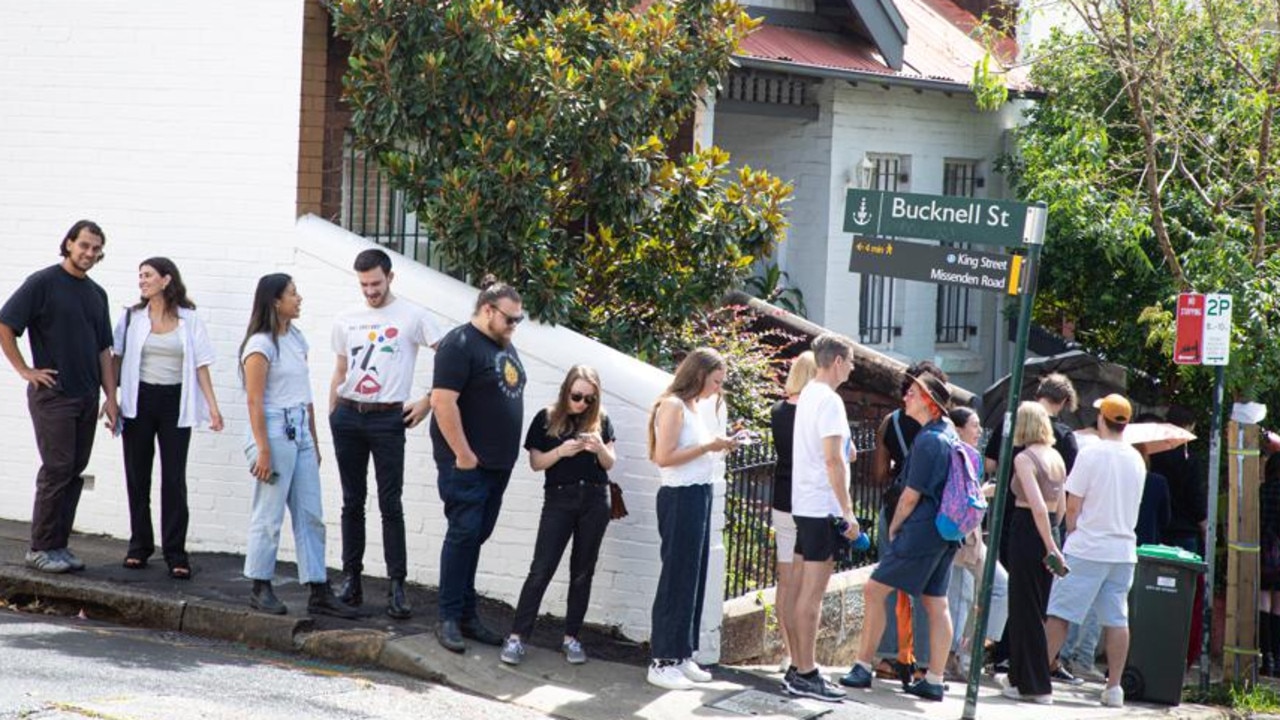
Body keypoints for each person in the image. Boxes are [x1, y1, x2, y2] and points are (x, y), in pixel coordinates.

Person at [0, 220, 118, 574]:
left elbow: (103, 351)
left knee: (75, 470)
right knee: (57, 468)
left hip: (86, 397)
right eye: (84, 245)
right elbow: (6, 325)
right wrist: (25, 370)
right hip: (54, 396)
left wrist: (110, 397)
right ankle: (39, 548)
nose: (89, 253)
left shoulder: (97, 295)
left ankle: (59, 546)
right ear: (68, 244)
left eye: (96, 249)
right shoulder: (43, 283)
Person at [329, 248, 440, 620]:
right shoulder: (347, 318)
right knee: (351, 501)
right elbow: (340, 367)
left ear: (390, 278)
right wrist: (333, 412)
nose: (370, 291)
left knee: (390, 503)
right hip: (348, 413)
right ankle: (352, 580)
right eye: (363, 285)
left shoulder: (413, 315)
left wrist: (428, 401)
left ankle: (397, 585)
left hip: (389, 418)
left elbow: (453, 356)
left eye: (376, 283)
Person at [240, 273, 355, 618]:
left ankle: (318, 587)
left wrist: (314, 441)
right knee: (269, 513)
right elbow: (254, 401)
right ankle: (260, 586)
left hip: (299, 430)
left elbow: (305, 396)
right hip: (273, 432)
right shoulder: (260, 345)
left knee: (310, 513)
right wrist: (262, 449)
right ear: (275, 301)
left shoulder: (296, 339)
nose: (299, 298)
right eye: (293, 293)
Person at [842, 371, 957, 702]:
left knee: (874, 589)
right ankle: (934, 679)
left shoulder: (929, 440)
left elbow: (910, 495)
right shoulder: (948, 434)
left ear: (930, 403)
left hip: (920, 531)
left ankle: (863, 666)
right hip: (944, 532)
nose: (906, 395)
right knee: (936, 603)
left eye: (914, 392)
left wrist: (894, 527)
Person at [430, 276, 526, 653]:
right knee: (463, 535)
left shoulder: (501, 344)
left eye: (519, 319)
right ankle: (448, 617)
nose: (515, 326)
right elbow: (443, 401)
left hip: (497, 465)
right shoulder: (460, 344)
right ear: (488, 310)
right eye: (510, 319)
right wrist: (464, 455)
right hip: (469, 466)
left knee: (475, 538)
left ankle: (467, 616)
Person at [113, 257, 223, 579]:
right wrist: (111, 400)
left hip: (176, 401)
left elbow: (202, 365)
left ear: (166, 279)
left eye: (147, 275)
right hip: (140, 400)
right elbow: (115, 359)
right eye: (140, 276)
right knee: (138, 475)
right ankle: (139, 546)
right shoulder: (131, 318)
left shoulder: (190, 319)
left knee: (174, 478)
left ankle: (175, 551)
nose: (142, 281)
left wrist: (213, 408)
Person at [500, 365, 617, 666]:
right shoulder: (547, 417)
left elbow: (609, 463)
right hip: (560, 498)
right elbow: (536, 463)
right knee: (541, 568)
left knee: (582, 572)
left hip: (595, 498)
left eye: (590, 399)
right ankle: (516, 638)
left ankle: (572, 638)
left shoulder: (601, 419)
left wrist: (599, 446)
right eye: (577, 396)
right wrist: (562, 452)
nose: (582, 404)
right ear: (566, 391)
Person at [1043, 394, 1146, 708]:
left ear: (1102, 417)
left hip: (1087, 546)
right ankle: (1114, 687)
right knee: (1116, 619)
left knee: (1060, 613)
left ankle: (1033, 677)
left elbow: (1073, 505)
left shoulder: (1090, 454)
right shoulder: (1137, 459)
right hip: (1123, 550)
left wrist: (1072, 532)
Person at [645, 348, 738, 691]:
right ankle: (662, 660)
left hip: (698, 492)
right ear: (698, 374)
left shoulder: (694, 406)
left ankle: (682, 654)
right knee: (676, 576)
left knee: (694, 576)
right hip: (680, 495)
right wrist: (708, 447)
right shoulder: (672, 405)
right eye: (716, 381)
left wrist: (717, 445)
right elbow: (663, 456)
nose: (718, 388)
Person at [983, 372, 1078, 677]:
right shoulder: (1063, 440)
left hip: (1007, 517)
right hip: (1046, 523)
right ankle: (1025, 664)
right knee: (1037, 598)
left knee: (1012, 589)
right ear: (1063, 402)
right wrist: (1054, 536)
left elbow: (989, 465)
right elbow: (1065, 493)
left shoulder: (1009, 424)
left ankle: (1007, 656)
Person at [779, 334, 858, 702]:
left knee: (799, 592)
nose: (854, 368)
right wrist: (848, 511)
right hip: (822, 508)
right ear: (838, 361)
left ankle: (798, 667)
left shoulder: (809, 392)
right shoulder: (830, 400)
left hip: (804, 505)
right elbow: (833, 460)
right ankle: (807, 673)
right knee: (811, 595)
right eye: (852, 361)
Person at [870, 361, 946, 683]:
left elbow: (879, 473)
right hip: (932, 516)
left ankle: (889, 657)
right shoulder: (944, 428)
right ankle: (925, 663)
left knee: (885, 589)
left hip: (898, 507)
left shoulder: (891, 423)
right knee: (929, 595)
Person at [999, 402, 1066, 705]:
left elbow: (1036, 505)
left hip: (1028, 530)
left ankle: (1035, 685)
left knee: (1024, 608)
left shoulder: (1025, 458)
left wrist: (1048, 544)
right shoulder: (1056, 457)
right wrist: (1053, 541)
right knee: (1036, 608)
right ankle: (1020, 678)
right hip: (1048, 529)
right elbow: (1059, 507)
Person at [944, 406, 1008, 681]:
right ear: (958, 429)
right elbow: (958, 497)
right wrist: (984, 492)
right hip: (959, 538)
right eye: (975, 425)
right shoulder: (955, 453)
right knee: (959, 598)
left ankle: (973, 648)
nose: (980, 431)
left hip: (972, 539)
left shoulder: (971, 455)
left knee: (999, 586)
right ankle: (953, 656)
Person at [768, 350, 818, 672]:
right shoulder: (814, 413)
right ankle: (801, 657)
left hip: (781, 500)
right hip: (808, 502)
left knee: (785, 582)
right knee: (804, 585)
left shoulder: (777, 410)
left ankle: (788, 652)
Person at [1260, 453, 1280, 675]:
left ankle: (1267, 659)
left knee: (1263, 602)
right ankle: (1279, 658)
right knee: (1278, 606)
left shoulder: (1262, 491)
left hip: (1264, 552)